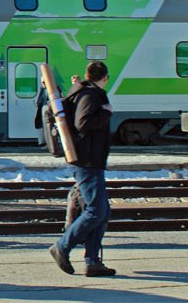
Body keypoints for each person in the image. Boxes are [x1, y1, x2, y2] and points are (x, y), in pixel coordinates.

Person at [49, 61, 116, 278]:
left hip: (91, 160)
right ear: (104, 78)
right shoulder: (90, 95)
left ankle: (93, 261)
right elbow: (82, 123)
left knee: (102, 211)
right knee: (96, 211)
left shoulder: (85, 92)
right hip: (87, 161)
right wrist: (106, 113)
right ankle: (62, 247)